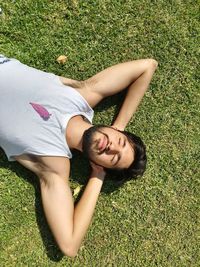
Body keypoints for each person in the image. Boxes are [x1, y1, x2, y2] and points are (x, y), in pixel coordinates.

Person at [0, 54, 158, 257]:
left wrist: (97, 177)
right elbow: (147, 66)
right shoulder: (82, 94)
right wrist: (119, 126)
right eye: (120, 142)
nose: (112, 147)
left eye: (114, 158)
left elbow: (69, 245)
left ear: (98, 163)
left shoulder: (54, 167)